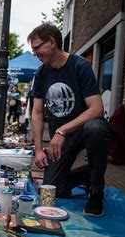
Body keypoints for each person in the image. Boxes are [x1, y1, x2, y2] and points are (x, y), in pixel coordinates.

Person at [29, 23, 110, 217]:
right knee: (52, 189)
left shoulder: (80, 66)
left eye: (37, 48)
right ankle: (88, 173)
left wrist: (62, 130)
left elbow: (97, 109)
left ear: (52, 42)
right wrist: (39, 149)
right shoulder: (42, 73)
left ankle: (96, 191)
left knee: (96, 129)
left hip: (83, 130)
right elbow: (37, 112)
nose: (35, 54)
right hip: (63, 137)